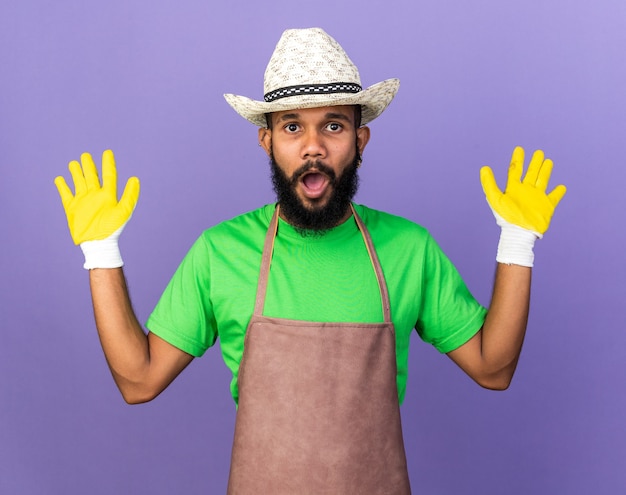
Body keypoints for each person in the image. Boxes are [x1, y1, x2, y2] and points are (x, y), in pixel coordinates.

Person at [54, 27, 566, 494]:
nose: (313, 147)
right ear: (267, 140)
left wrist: (518, 242)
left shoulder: (409, 249)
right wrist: (101, 252)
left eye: (335, 127)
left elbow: (493, 369)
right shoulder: (220, 252)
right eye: (293, 126)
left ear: (360, 141)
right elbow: (138, 381)